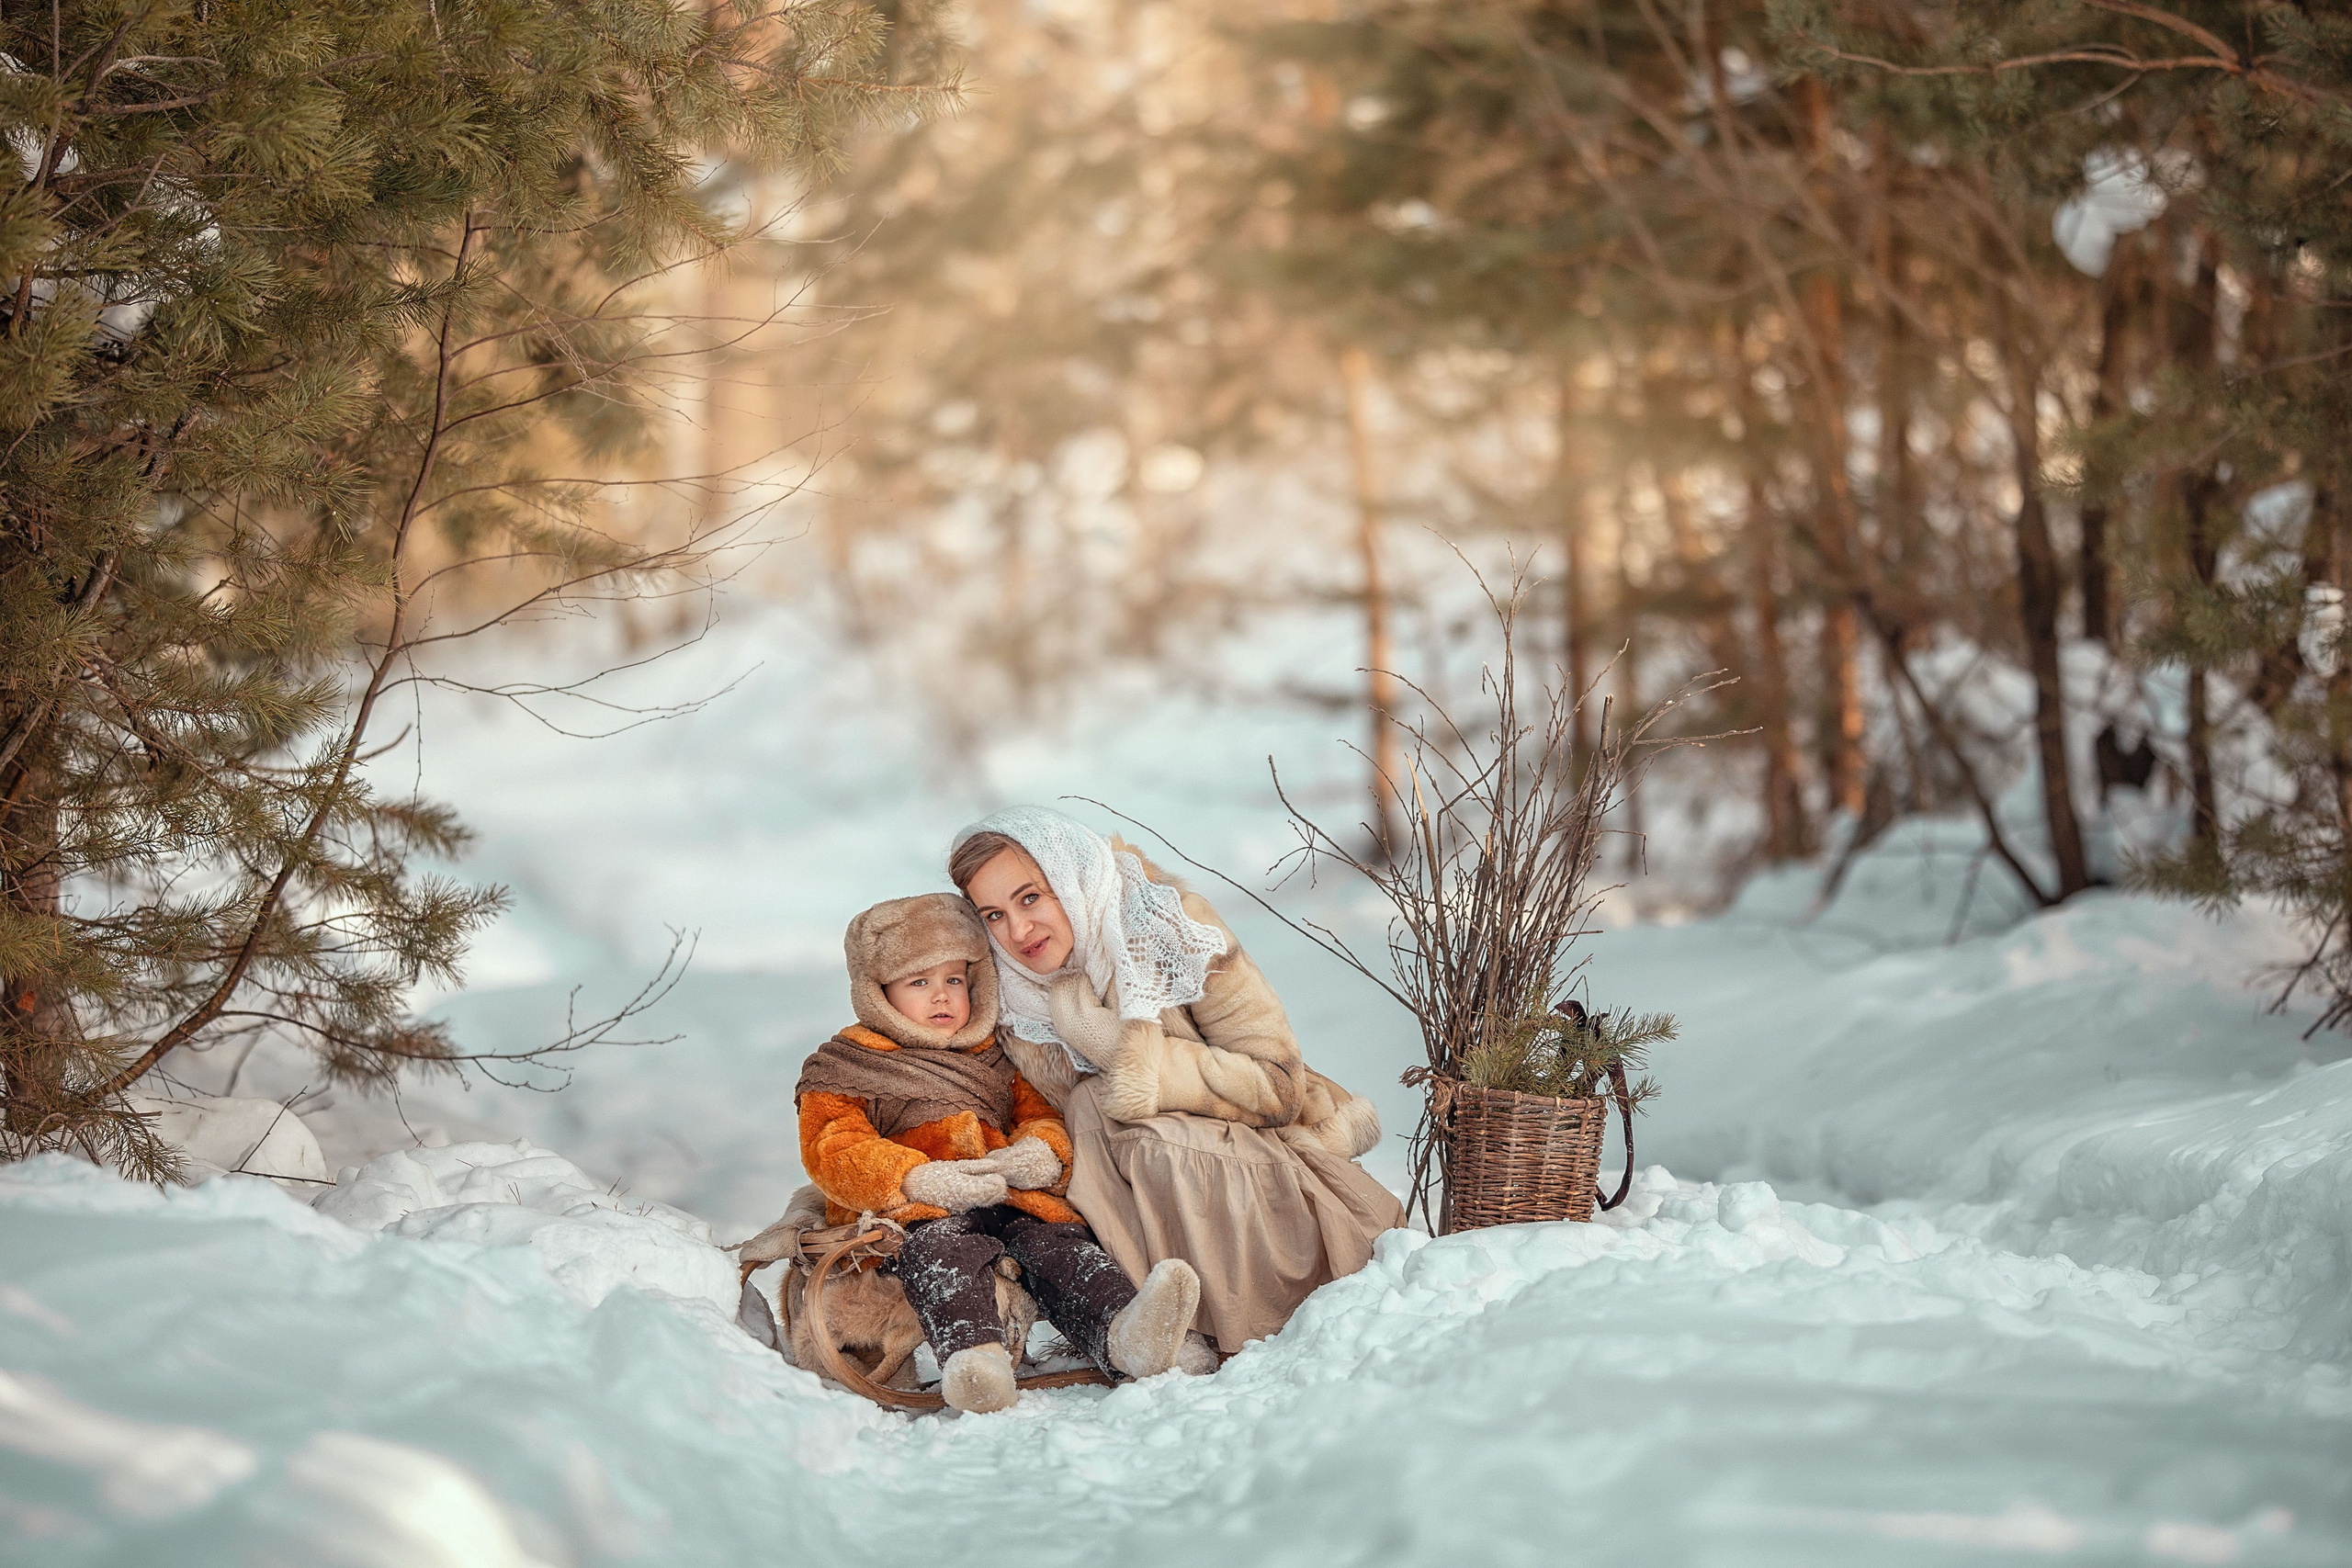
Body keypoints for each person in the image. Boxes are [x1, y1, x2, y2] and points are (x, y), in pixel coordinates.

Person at [950, 806, 1405, 1358]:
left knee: (1101, 1106)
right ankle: (1142, 1320)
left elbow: (1279, 1085)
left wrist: (1123, 1054)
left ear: (1070, 879)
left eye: (1030, 898)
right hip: (1138, 1198)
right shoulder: (1007, 994)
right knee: (1086, 1119)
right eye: (993, 915)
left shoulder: (1169, 926)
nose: (1018, 931)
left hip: (1264, 1173)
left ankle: (1223, 1317)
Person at [794, 893, 1202, 1413]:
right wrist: (917, 1179)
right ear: (878, 992)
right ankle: (974, 1359)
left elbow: (1037, 1114)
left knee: (1060, 1246)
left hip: (1007, 1197)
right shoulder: (845, 1065)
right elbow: (833, 1146)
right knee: (941, 1252)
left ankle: (1125, 1332)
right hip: (919, 1213)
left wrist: (1040, 1153)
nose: (941, 996)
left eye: (954, 980)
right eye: (919, 982)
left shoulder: (992, 1055)